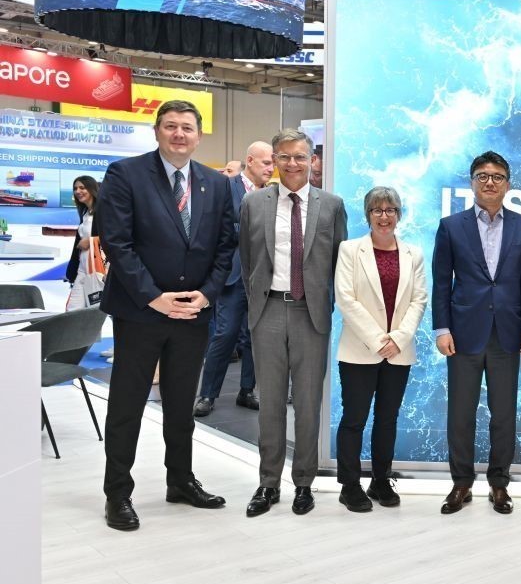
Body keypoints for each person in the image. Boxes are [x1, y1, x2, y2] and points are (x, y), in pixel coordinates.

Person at [97, 100, 237, 531]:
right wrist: (153, 297)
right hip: (140, 312)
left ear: (198, 136)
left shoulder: (216, 183)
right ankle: (117, 494)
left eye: (187, 128)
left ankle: (180, 481)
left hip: (192, 314)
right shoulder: (126, 174)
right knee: (127, 406)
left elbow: (226, 246)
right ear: (157, 131)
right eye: (171, 126)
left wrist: (207, 295)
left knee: (180, 406)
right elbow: (117, 243)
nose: (179, 134)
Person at [240, 129, 347, 517]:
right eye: (283, 156)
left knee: (307, 402)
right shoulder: (254, 203)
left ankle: (304, 482)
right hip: (268, 310)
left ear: (311, 159)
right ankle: (268, 483)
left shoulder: (331, 205)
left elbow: (339, 263)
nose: (292, 163)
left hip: (311, 314)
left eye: (300, 156)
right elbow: (247, 259)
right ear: (274, 160)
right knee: (269, 402)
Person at [432, 150, 521, 516]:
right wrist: (442, 328)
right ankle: (461, 482)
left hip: (508, 332)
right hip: (463, 333)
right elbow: (441, 281)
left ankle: (499, 483)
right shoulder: (451, 226)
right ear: (472, 182)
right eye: (483, 176)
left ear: (507, 184)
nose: (490, 182)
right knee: (460, 414)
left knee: (503, 414)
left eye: (497, 176)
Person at [333, 186, 427, 512]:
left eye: (390, 210)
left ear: (399, 215)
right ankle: (349, 485)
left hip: (398, 351)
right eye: (377, 210)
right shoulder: (349, 250)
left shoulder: (414, 254)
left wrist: (398, 339)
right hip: (359, 350)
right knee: (354, 419)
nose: (384, 216)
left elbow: (419, 300)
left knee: (387, 419)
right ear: (368, 214)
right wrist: (378, 340)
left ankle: (380, 480)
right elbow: (346, 299)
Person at [194, 142, 275, 416]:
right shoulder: (226, 187)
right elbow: (218, 227)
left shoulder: (272, 195)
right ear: (250, 160)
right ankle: (207, 394)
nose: (271, 169)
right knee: (225, 334)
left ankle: (247, 390)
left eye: (273, 164)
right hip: (232, 275)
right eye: (266, 163)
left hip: (262, 278)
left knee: (255, 336)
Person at [65, 175, 103, 310]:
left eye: (82, 188)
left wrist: (91, 241)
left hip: (98, 270)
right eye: (75, 188)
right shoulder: (85, 214)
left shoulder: (104, 211)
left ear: (92, 189)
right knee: (72, 311)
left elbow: (116, 236)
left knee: (96, 312)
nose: (78, 191)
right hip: (82, 269)